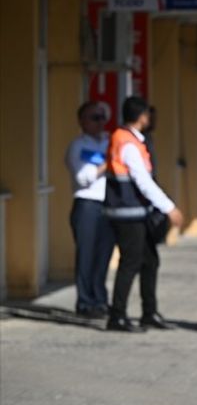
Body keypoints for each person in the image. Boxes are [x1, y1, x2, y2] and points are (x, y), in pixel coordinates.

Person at [103, 96, 184, 333]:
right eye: (148, 115)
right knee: (130, 262)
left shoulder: (131, 140)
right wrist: (169, 208)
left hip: (136, 212)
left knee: (150, 261)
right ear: (141, 117)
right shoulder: (127, 143)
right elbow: (143, 182)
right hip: (128, 214)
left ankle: (149, 313)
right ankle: (117, 316)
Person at [66, 100, 114, 318]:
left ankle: (100, 300)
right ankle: (85, 302)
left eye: (102, 117)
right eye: (94, 118)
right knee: (86, 254)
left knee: (104, 255)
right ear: (82, 122)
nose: (100, 122)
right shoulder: (78, 146)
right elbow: (83, 177)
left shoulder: (110, 142)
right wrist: (107, 164)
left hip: (108, 203)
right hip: (87, 204)